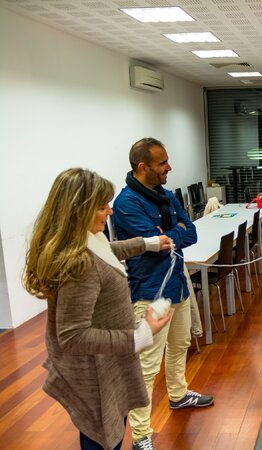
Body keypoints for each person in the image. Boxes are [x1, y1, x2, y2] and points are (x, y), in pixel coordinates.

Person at [23, 168, 174, 450]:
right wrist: (139, 336)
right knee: (103, 437)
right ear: (80, 211)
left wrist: (147, 243)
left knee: (111, 430)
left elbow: (106, 252)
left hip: (106, 359)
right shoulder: (79, 265)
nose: (110, 211)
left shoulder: (87, 240)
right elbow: (73, 336)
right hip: (94, 371)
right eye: (102, 206)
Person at [112, 138, 214, 450]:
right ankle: (141, 435)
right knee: (146, 365)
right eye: (162, 163)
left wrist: (169, 235)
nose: (169, 167)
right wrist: (170, 234)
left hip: (177, 285)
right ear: (143, 167)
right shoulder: (126, 203)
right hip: (150, 292)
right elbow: (154, 245)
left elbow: (190, 232)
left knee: (180, 344)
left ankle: (178, 395)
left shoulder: (165, 195)